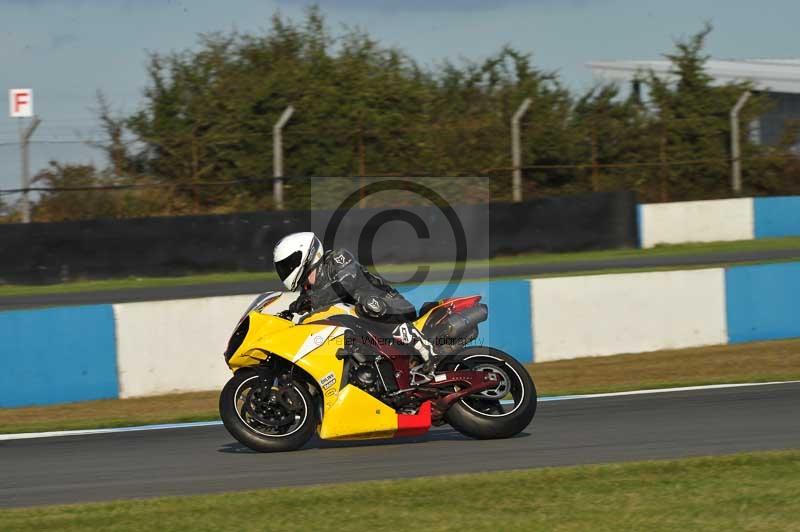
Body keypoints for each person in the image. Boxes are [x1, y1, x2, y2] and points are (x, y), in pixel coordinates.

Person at [273, 232, 438, 373]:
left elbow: (345, 284)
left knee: (368, 304)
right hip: (365, 330)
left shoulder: (336, 258)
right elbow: (312, 305)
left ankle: (422, 346)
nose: (286, 269)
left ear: (305, 255)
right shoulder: (309, 288)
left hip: (390, 306)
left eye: (288, 264)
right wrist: (291, 312)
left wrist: (310, 300)